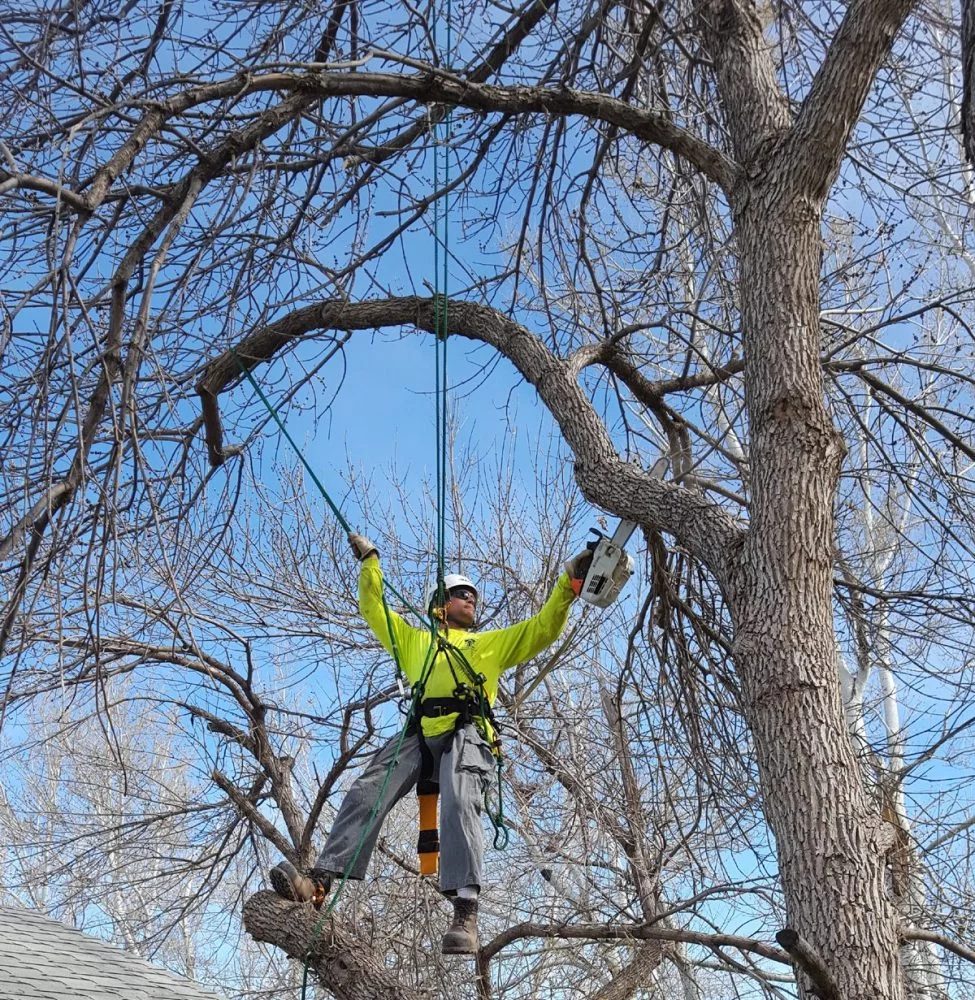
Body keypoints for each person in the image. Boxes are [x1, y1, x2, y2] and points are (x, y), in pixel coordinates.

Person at [269, 531, 592, 954]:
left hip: (467, 733)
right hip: (420, 732)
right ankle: (320, 881)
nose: (471, 600)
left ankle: (466, 911)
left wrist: (569, 584)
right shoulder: (415, 641)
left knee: (459, 799)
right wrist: (371, 563)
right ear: (440, 604)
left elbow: (542, 628)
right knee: (368, 789)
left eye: (474, 596)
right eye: (462, 594)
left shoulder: (487, 644)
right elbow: (374, 608)